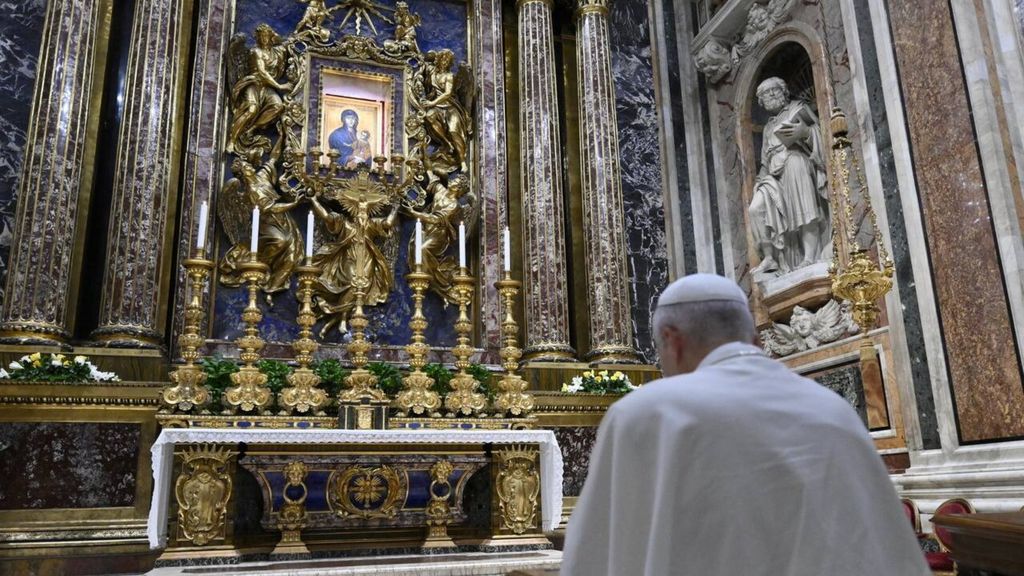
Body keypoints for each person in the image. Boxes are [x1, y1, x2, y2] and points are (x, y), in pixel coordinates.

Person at [560, 274, 930, 576]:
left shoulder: (646, 414)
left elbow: (595, 555)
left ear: (671, 341)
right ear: (754, 339)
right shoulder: (835, 411)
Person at [748, 77, 829, 276]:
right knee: (755, 208)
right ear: (761, 102)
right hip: (774, 173)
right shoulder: (768, 127)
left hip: (796, 160)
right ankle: (769, 257)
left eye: (774, 90)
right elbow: (765, 161)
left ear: (784, 92)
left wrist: (805, 132)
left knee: (803, 207)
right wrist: (760, 180)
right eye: (766, 94)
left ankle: (810, 256)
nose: (771, 95)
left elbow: (820, 134)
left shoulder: (797, 108)